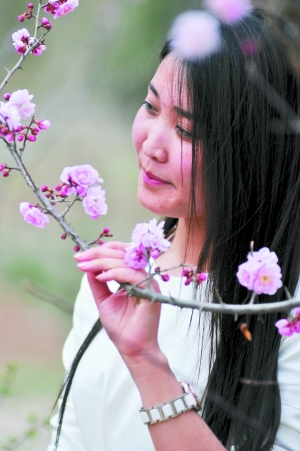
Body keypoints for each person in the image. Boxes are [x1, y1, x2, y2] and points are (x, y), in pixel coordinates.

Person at [48, 6, 300, 451]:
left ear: (251, 150)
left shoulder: (285, 318)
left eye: (186, 129)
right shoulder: (115, 282)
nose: (151, 143)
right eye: (150, 106)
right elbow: (68, 437)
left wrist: (148, 364)